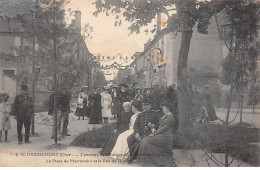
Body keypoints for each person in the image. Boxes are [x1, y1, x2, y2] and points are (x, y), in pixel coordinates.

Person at [136, 100, 177, 167]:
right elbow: (159, 125)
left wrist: (154, 134)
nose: (163, 109)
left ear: (168, 108)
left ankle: (156, 160)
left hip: (166, 136)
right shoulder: (165, 116)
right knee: (145, 139)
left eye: (164, 108)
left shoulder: (171, 117)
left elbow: (163, 128)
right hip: (161, 134)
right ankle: (147, 161)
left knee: (147, 140)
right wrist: (152, 126)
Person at [125, 98, 163, 163]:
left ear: (150, 106)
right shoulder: (140, 115)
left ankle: (133, 157)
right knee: (129, 139)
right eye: (143, 105)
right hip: (140, 131)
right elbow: (136, 125)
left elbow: (160, 123)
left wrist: (154, 125)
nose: (144, 107)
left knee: (143, 140)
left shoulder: (155, 114)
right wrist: (137, 133)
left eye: (146, 105)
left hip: (149, 132)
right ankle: (132, 155)